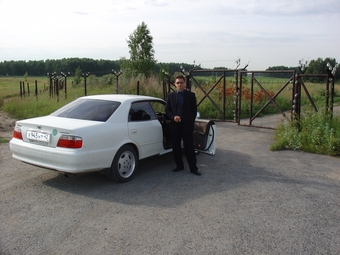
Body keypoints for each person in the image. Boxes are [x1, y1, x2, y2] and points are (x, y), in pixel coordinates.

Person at [165, 74, 201, 176]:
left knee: (189, 147)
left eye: (181, 82)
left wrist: (189, 121)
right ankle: (179, 166)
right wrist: (173, 117)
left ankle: (193, 168)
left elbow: (194, 111)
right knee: (176, 147)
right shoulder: (170, 96)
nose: (179, 84)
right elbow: (167, 110)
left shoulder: (190, 95)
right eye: (177, 83)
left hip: (186, 126)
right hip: (175, 126)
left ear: (184, 83)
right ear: (174, 84)